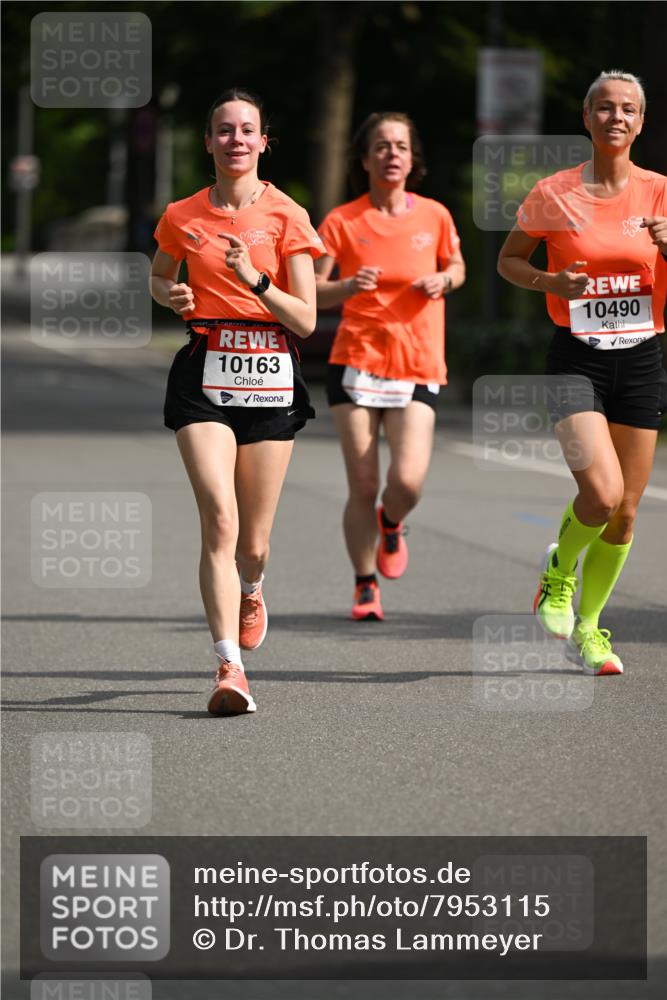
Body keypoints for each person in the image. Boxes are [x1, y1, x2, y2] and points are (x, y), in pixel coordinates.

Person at [150, 88, 324, 715]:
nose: (236, 141)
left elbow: (305, 318)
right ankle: (230, 666)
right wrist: (170, 294)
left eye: (247, 130)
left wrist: (256, 278)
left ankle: (253, 586)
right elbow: (160, 271)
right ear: (208, 142)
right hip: (203, 373)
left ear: (263, 140)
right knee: (218, 519)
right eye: (224, 131)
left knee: (253, 541)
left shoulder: (288, 215)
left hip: (273, 377)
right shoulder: (182, 214)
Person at [498, 70, 667, 675]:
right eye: (604, 108)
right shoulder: (554, 193)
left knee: (626, 512)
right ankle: (558, 574)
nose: (615, 117)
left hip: (643, 357)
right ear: (587, 117)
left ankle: (591, 629)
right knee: (601, 493)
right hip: (578, 358)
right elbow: (509, 259)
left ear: (640, 121)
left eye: (627, 109)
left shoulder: (661, 192)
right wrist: (551, 281)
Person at [315, 112, 465, 621]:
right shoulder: (342, 220)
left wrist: (446, 281)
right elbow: (310, 288)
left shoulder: (436, 216)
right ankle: (364, 583)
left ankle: (393, 521)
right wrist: (346, 287)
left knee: (407, 481)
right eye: (381, 146)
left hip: (418, 361)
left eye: (401, 145)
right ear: (365, 158)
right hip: (356, 360)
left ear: (412, 157)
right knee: (361, 481)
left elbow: (457, 266)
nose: (392, 153)